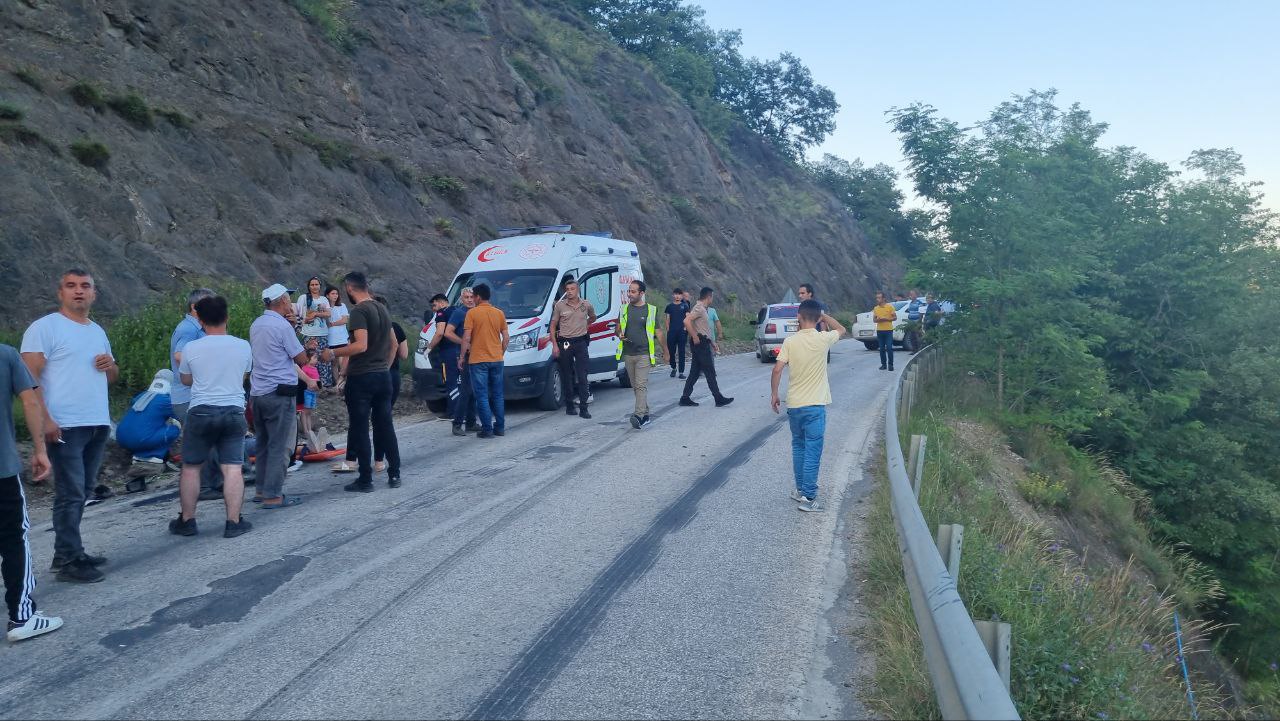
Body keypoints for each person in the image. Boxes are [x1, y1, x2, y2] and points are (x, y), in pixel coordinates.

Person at [20, 269, 115, 583]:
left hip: (96, 421)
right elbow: (28, 379)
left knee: (83, 490)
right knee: (70, 493)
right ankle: (69, 560)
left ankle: (68, 552)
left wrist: (110, 366)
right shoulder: (44, 328)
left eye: (85, 286)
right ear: (60, 292)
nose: (79, 291)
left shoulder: (97, 331)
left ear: (94, 294)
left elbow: (111, 376)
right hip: (64, 425)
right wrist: (46, 419)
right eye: (71, 286)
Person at [170, 295, 254, 537]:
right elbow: (244, 375)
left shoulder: (191, 348)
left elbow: (185, 379)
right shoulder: (243, 346)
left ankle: (187, 521)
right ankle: (233, 522)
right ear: (227, 317)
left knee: (191, 468)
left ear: (200, 320)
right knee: (232, 468)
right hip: (233, 411)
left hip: (201, 411)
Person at [1, 342, 63, 641]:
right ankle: (21, 616)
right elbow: (30, 401)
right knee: (14, 538)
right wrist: (40, 450)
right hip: (2, 469)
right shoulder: (5, 354)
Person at [321, 273, 400, 491]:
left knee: (361, 427)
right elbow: (394, 344)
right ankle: (395, 473)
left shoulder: (359, 311)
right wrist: (384, 366)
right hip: (383, 376)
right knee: (385, 425)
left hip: (362, 377)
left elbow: (360, 345)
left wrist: (332, 353)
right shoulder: (382, 308)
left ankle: (365, 479)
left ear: (349, 288)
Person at [770, 300, 845, 513]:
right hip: (815, 406)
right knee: (813, 450)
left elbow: (777, 370)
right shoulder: (823, 338)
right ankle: (809, 498)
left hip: (794, 405)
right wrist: (824, 315)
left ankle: (800, 489)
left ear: (798, 317)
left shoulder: (790, 341)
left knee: (799, 446)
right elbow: (842, 329)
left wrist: (775, 394)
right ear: (818, 318)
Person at [249, 283, 314, 510]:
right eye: (288, 298)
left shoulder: (256, 324)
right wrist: (307, 347)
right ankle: (273, 495)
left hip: (258, 393)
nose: (291, 303)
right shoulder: (282, 326)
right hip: (279, 393)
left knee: (263, 444)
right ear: (283, 301)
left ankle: (261, 490)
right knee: (281, 445)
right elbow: (301, 359)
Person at [169, 288, 224, 499]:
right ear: (194, 307)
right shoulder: (187, 329)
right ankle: (205, 487)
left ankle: (216, 482)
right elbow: (179, 355)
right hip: (187, 395)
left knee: (209, 439)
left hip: (193, 394)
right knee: (202, 441)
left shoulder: (196, 327)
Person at [460, 283, 509, 439]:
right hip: (497, 359)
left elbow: (466, 338)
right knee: (498, 395)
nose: (472, 299)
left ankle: (487, 429)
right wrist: (500, 352)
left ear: (478, 297)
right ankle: (499, 428)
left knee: (482, 396)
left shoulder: (472, 313)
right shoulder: (499, 313)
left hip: (478, 360)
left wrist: (462, 357)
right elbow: (506, 337)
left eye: (473, 296)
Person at [617, 280, 666, 429]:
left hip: (644, 354)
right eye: (629, 291)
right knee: (635, 386)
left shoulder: (650, 310)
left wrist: (666, 351)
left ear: (641, 293)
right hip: (628, 354)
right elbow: (618, 328)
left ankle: (638, 416)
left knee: (640, 385)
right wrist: (619, 333)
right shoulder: (624, 309)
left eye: (633, 291)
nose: (629, 294)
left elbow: (658, 332)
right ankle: (645, 413)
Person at [549, 277, 597, 419]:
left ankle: (584, 408)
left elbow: (593, 317)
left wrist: (585, 325)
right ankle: (569, 405)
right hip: (566, 343)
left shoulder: (586, 304)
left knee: (582, 375)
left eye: (572, 289)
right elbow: (553, 326)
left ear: (578, 290)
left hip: (581, 342)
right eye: (567, 290)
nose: (570, 292)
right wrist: (554, 345)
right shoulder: (560, 306)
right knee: (567, 374)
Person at [678, 288, 734, 408]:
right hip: (700, 343)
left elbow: (703, 328)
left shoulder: (702, 309)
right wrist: (694, 336)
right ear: (709, 297)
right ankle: (718, 398)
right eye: (712, 297)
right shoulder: (699, 308)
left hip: (703, 341)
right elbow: (686, 321)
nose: (712, 299)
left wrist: (712, 342)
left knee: (695, 372)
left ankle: (685, 398)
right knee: (709, 371)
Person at [114, 369, 180, 464]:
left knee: (153, 427)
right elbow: (182, 415)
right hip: (139, 440)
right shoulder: (166, 401)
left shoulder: (141, 395)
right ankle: (149, 456)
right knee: (175, 429)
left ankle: (139, 453)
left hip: (120, 437)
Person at [374, 295, 407, 473]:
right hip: (392, 375)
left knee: (373, 418)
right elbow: (404, 355)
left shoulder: (366, 328)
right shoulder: (396, 327)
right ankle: (383, 460)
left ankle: (375, 459)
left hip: (371, 374)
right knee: (384, 418)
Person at [444, 288, 479, 437]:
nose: (470, 300)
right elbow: (447, 332)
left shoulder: (477, 311)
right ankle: (457, 423)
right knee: (466, 391)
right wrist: (464, 343)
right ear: (461, 299)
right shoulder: (459, 313)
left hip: (477, 355)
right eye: (466, 297)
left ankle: (471, 422)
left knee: (472, 391)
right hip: (464, 356)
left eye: (471, 297)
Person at [295, 276, 333, 387]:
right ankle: (311, 383)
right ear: (309, 286)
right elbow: (299, 313)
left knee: (324, 358)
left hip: (322, 333)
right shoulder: (303, 297)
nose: (314, 286)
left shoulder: (324, 299)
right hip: (308, 333)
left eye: (317, 284)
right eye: (312, 284)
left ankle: (325, 385)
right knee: (310, 359)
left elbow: (328, 314)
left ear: (320, 286)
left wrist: (316, 314)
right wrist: (306, 318)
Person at [296, 350, 321, 451]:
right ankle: (306, 430)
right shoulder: (304, 368)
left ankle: (310, 430)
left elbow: (317, 380)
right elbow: (302, 380)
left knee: (309, 412)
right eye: (314, 358)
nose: (316, 360)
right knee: (304, 411)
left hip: (313, 392)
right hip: (306, 392)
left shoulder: (315, 369)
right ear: (308, 359)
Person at [325, 286, 350, 386]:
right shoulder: (325, 307)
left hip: (342, 338)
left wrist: (332, 324)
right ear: (327, 295)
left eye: (336, 293)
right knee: (334, 363)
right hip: (330, 338)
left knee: (343, 362)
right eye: (333, 294)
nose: (335, 296)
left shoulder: (342, 306)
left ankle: (344, 383)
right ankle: (336, 384)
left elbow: (344, 320)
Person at [663, 288, 690, 378]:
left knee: (681, 351)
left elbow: (688, 318)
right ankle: (673, 367)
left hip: (682, 332)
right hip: (672, 332)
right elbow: (667, 319)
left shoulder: (685, 306)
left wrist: (685, 329)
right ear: (673, 295)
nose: (677, 296)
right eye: (675, 294)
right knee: (671, 351)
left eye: (679, 294)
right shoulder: (669, 306)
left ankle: (681, 372)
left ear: (682, 296)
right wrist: (668, 330)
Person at [873, 291, 897, 371]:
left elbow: (895, 318)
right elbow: (874, 320)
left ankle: (891, 365)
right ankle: (883, 365)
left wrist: (886, 319)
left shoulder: (890, 307)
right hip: (880, 331)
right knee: (881, 349)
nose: (877, 299)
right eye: (877, 298)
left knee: (889, 348)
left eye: (879, 298)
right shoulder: (876, 308)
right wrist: (878, 320)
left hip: (888, 330)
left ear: (884, 299)